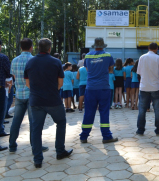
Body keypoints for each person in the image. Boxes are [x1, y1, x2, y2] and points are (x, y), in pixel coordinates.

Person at [24, 38, 72, 168]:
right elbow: (60, 83)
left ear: (38, 48)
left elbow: (28, 83)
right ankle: (60, 151)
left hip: (36, 101)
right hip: (53, 100)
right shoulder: (56, 62)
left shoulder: (30, 62)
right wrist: (50, 90)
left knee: (36, 129)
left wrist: (38, 91)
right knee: (61, 122)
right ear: (50, 49)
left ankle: (38, 159)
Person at [9, 38, 49, 153]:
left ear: (21, 47)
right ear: (31, 47)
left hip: (19, 94)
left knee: (16, 120)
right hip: (32, 95)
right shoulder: (34, 60)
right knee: (34, 122)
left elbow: (15, 77)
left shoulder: (14, 60)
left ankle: (12, 145)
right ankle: (35, 146)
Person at [79, 37, 118, 144]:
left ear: (94, 46)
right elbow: (111, 69)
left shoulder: (88, 56)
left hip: (90, 88)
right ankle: (106, 136)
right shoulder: (108, 55)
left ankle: (84, 136)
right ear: (103, 45)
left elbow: (87, 69)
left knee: (89, 112)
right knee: (104, 112)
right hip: (104, 88)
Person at [136, 42, 159, 136]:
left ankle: (140, 130)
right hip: (156, 87)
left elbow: (139, 73)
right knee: (157, 109)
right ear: (156, 49)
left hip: (144, 86)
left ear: (148, 48)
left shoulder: (142, 57)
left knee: (142, 109)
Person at [0, 39, 11, 152]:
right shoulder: (2, 58)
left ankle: (1, 130)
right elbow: (8, 71)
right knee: (1, 110)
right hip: (0, 88)